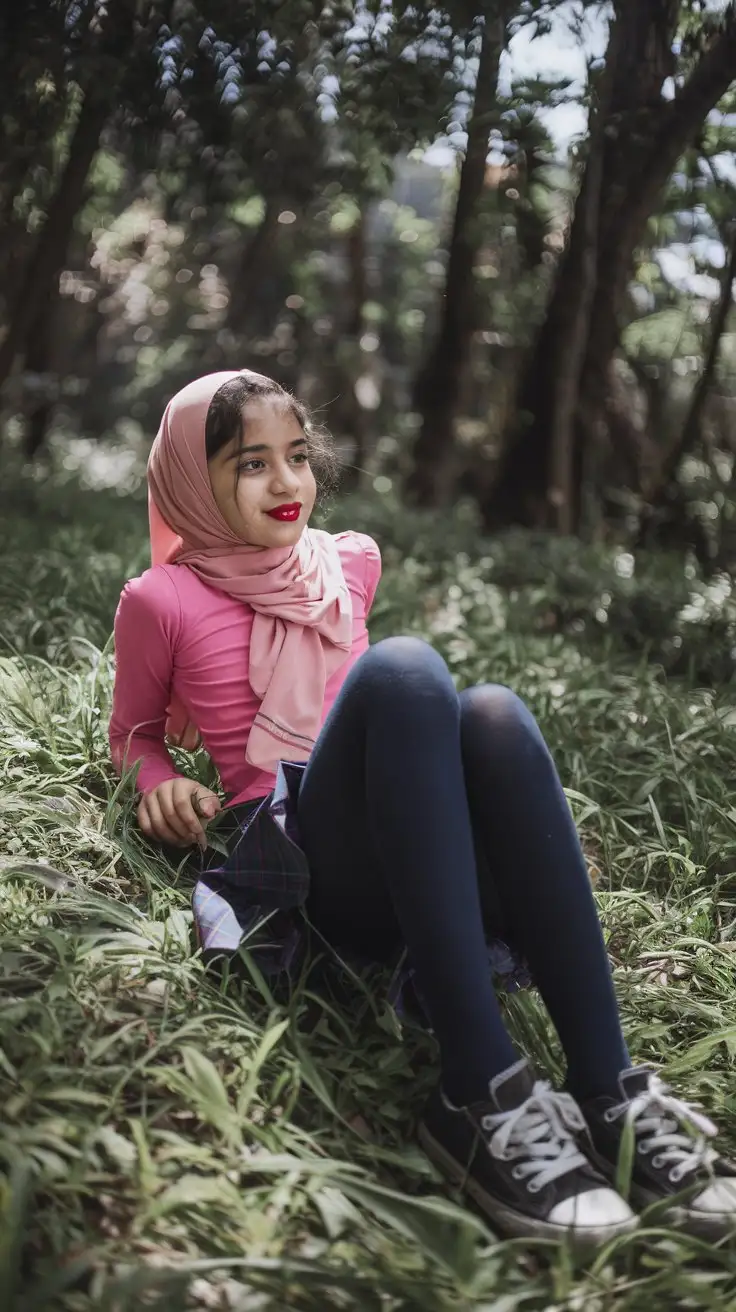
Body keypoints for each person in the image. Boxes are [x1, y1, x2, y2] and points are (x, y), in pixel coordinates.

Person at [110, 370, 736, 1246]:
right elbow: (134, 733)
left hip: (415, 851)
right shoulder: (162, 600)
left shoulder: (348, 563)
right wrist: (156, 781)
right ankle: (475, 1089)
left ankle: (612, 1089)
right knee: (405, 672)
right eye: (251, 464)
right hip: (309, 870)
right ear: (189, 478)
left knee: (496, 716)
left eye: (297, 456)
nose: (288, 483)